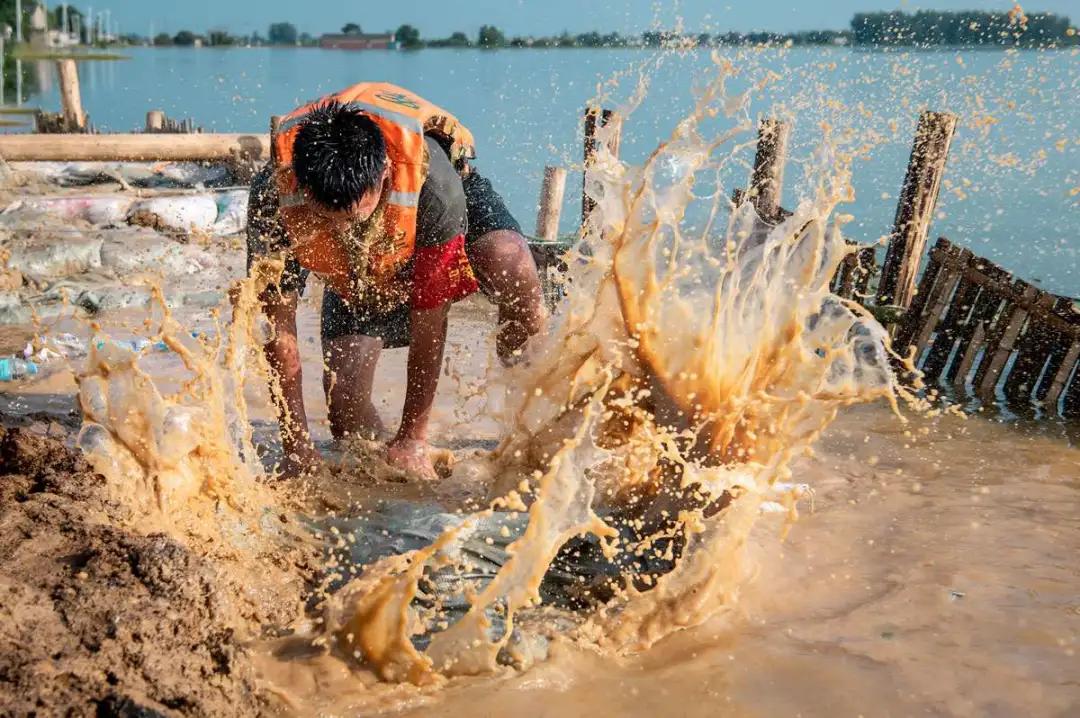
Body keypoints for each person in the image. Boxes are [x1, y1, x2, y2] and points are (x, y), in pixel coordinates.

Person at [247, 83, 545, 480]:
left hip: (428, 215)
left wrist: (413, 438)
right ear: (301, 186)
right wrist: (296, 445)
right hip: (358, 270)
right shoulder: (274, 195)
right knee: (346, 413)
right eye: (324, 218)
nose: (337, 228)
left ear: (385, 177)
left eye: (350, 219)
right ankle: (385, 469)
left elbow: (430, 322)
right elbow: (276, 328)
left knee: (509, 258)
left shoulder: (435, 187)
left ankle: (531, 390)